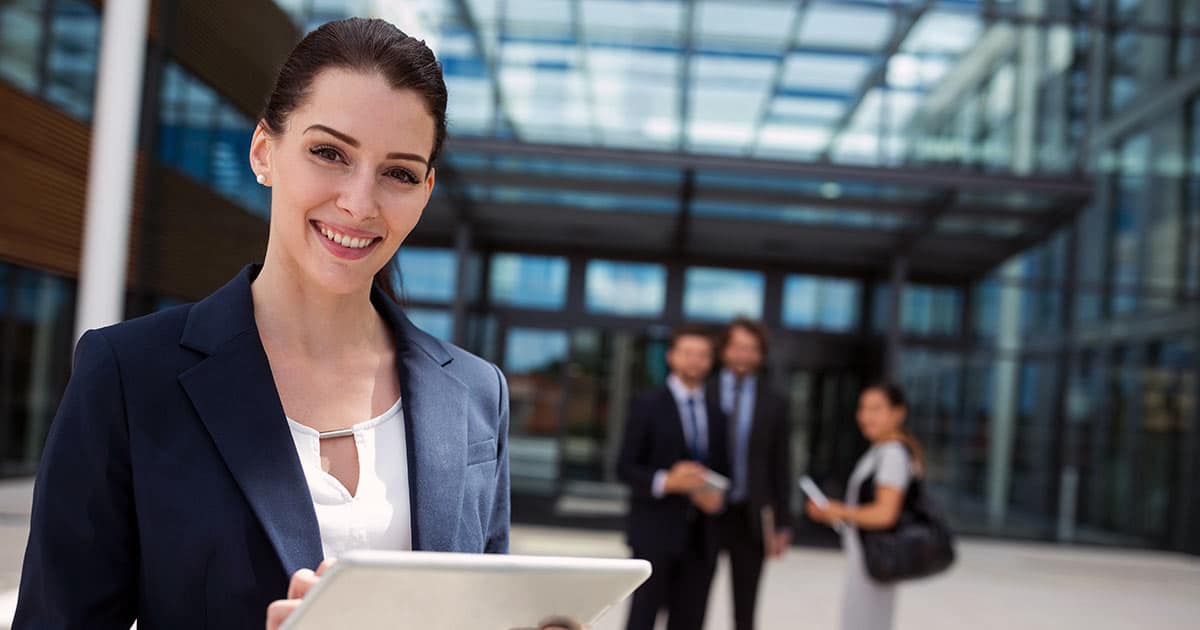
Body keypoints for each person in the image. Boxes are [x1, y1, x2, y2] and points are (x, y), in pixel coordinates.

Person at [14, 18, 511, 630]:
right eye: (330, 152)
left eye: (400, 173)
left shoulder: (477, 395)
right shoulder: (128, 377)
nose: (359, 202)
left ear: (426, 191)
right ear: (263, 151)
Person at [617, 325, 729, 630]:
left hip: (701, 537)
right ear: (672, 356)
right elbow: (625, 467)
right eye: (687, 353)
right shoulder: (646, 405)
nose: (695, 361)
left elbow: (724, 468)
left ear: (711, 361)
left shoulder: (718, 413)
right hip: (655, 532)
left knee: (691, 620)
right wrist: (668, 481)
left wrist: (715, 498)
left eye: (703, 355)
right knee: (642, 618)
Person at [805, 383, 924, 630]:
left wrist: (838, 511)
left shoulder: (892, 454)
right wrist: (834, 514)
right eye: (863, 408)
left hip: (874, 561)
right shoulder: (880, 449)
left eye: (876, 409)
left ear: (898, 412)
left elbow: (885, 513)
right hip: (865, 559)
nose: (866, 416)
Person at [715, 318, 792, 630]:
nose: (742, 355)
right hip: (705, 514)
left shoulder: (774, 402)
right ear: (724, 350)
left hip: (751, 514)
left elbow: (781, 464)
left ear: (760, 355)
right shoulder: (703, 393)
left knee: (745, 608)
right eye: (736, 347)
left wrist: (783, 523)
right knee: (690, 600)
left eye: (751, 348)